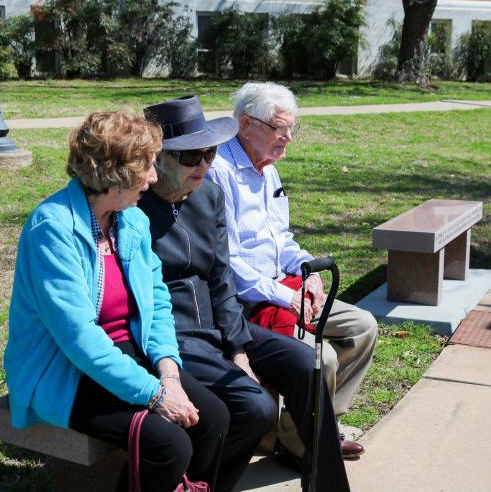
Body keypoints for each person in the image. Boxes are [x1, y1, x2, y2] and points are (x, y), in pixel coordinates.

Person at [4, 111, 230, 492]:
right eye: (146, 166)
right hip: (64, 370)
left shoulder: (132, 220)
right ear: (115, 173)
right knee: (168, 444)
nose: (154, 177)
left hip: (125, 353)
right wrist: (156, 395)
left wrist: (168, 374)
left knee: (215, 418)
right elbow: (78, 339)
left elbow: (157, 304)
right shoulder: (53, 228)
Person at [139, 95, 350, 492]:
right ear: (159, 159)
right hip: (172, 334)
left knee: (307, 362)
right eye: (191, 157)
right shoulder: (135, 208)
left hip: (219, 325)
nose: (204, 164)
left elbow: (221, 279)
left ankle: (327, 484)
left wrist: (237, 347)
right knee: (256, 407)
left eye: (209, 152)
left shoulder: (208, 196)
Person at [207, 82, 378, 462]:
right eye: (279, 128)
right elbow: (229, 263)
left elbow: (280, 237)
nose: (288, 138)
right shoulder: (219, 171)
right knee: (324, 359)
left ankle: (314, 423)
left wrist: (308, 271)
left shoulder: (267, 167)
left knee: (363, 327)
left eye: (291, 128)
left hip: (284, 286)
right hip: (246, 301)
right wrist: (288, 296)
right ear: (247, 124)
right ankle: (303, 443)